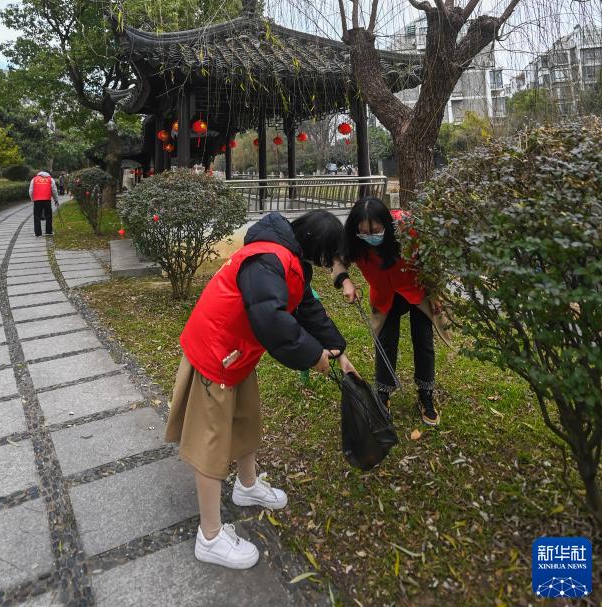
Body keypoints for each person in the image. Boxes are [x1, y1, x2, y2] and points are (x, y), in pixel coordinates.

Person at [165, 210, 357, 570]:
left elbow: (308, 310)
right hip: (216, 352)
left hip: (238, 353)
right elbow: (271, 319)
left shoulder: (290, 258)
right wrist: (312, 355)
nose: (331, 263)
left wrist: (339, 352)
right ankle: (209, 537)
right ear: (317, 245)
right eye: (331, 255)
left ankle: (247, 485)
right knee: (210, 443)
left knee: (246, 419)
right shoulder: (268, 259)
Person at [333, 197, 441, 426]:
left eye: (375, 230)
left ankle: (426, 393)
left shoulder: (407, 228)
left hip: (416, 290)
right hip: (384, 296)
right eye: (364, 232)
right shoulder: (353, 239)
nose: (370, 236)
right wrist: (346, 282)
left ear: (386, 223)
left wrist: (434, 293)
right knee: (385, 343)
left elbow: (430, 259)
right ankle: (383, 394)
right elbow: (338, 261)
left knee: (423, 340)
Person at [29, 169, 60, 237]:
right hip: (47, 200)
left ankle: (38, 233)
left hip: (37, 200)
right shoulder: (50, 179)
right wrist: (56, 200)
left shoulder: (34, 179)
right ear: (48, 173)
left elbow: (31, 190)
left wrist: (32, 199)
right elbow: (54, 190)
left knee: (37, 216)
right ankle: (49, 231)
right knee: (48, 215)